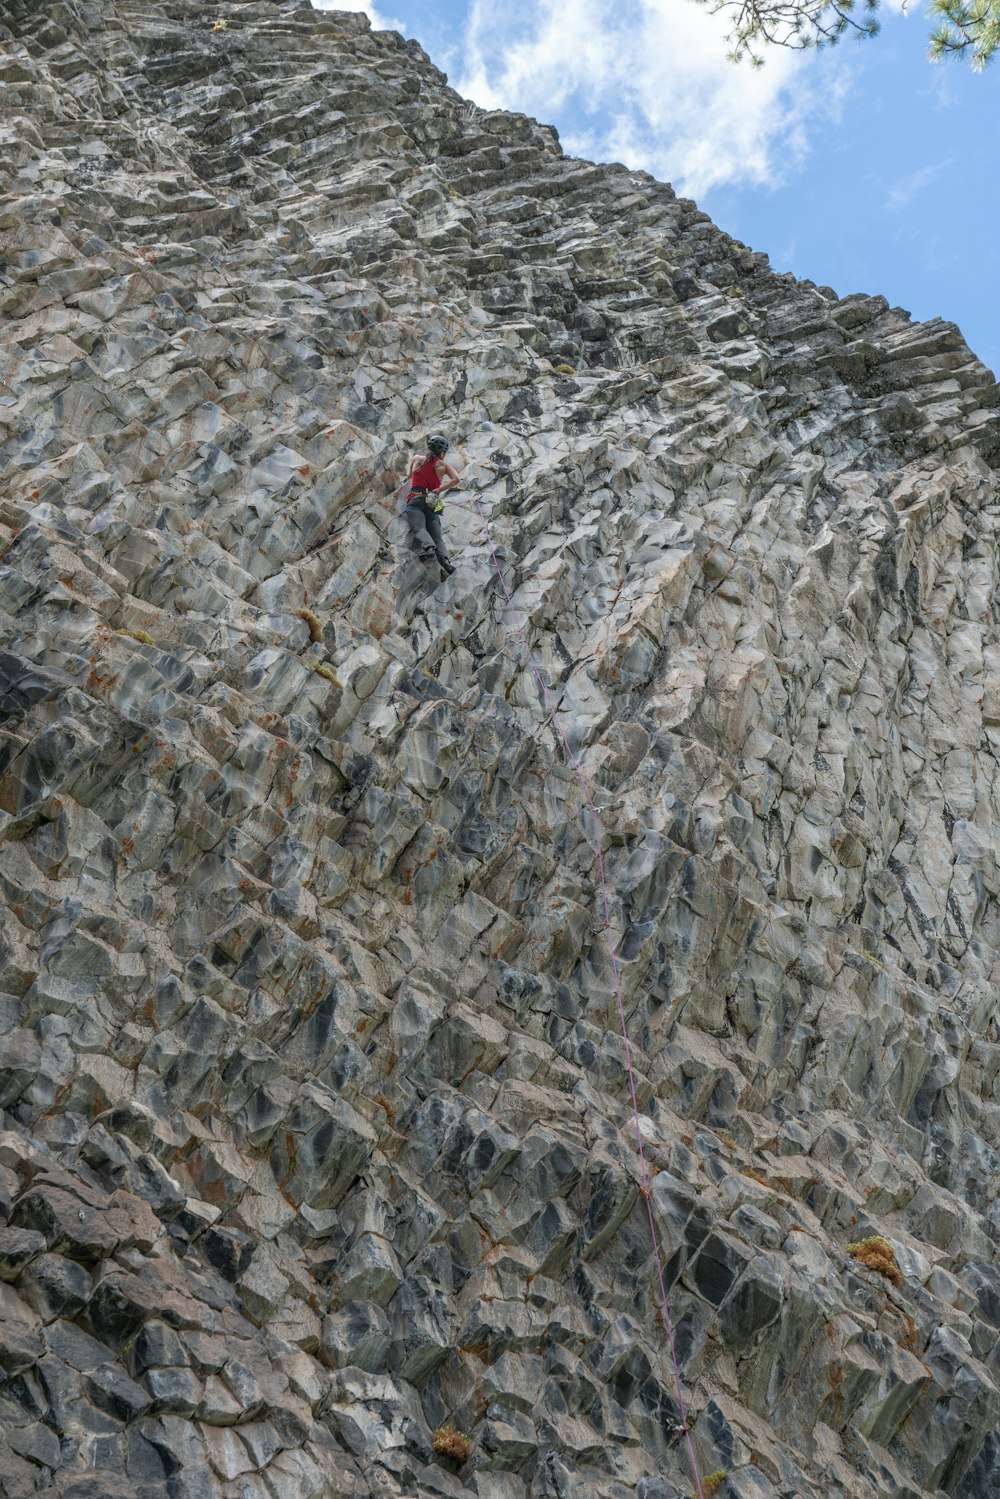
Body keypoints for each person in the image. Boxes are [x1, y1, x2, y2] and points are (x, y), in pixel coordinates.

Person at [405, 435, 461, 579]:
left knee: (419, 528)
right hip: (431, 503)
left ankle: (429, 549)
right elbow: (456, 479)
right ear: (442, 452)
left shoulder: (417, 458)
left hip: (415, 500)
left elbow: (410, 476)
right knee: (438, 538)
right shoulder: (443, 466)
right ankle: (445, 561)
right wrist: (439, 489)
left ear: (429, 448)